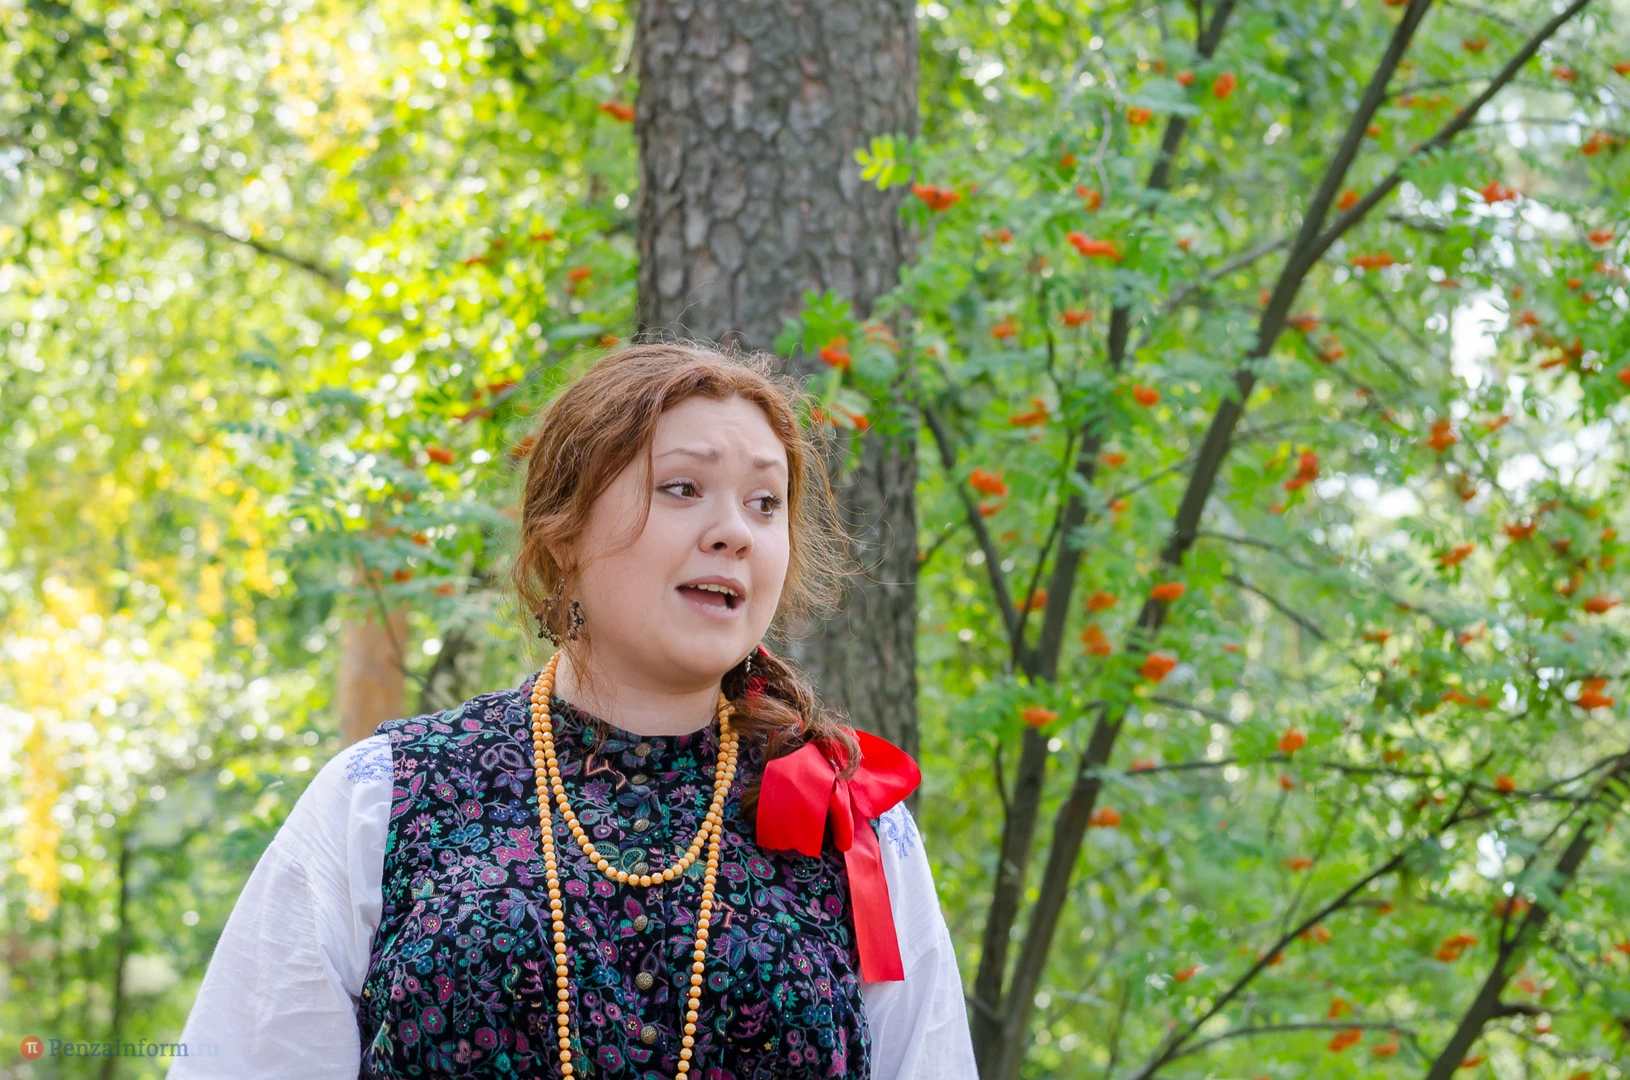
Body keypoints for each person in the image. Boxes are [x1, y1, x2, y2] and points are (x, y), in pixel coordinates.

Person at [171, 341, 976, 1078]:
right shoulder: (382, 798)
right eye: (683, 488)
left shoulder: (851, 823)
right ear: (564, 530)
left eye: (766, 503)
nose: (735, 531)